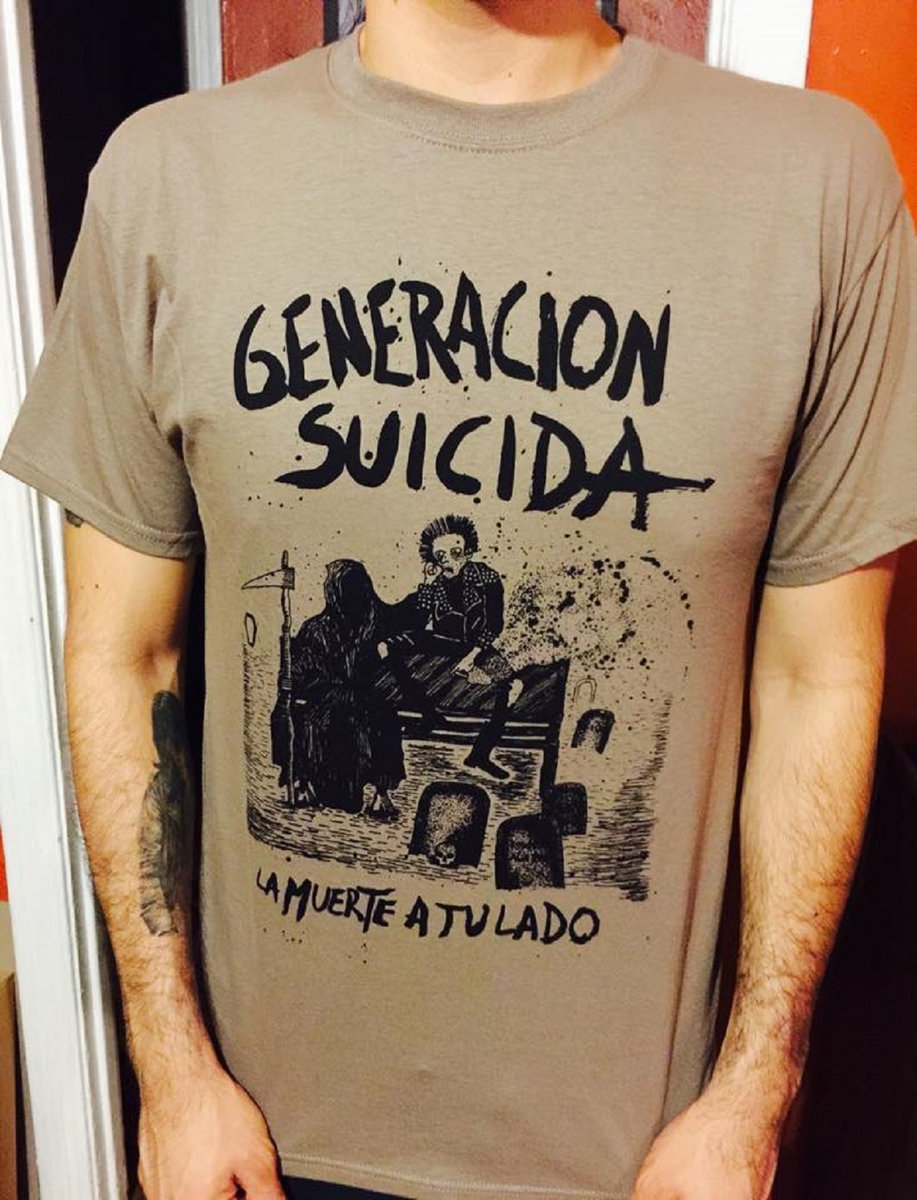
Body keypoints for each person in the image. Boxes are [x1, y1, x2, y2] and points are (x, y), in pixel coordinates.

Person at [1, 3, 915, 1200]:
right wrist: (170, 1074)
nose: (438, 556)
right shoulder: (168, 178)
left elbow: (817, 676)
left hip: (644, 1158)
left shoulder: (816, 184)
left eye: (443, 550)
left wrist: (754, 1092)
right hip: (263, 1148)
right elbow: (127, 656)